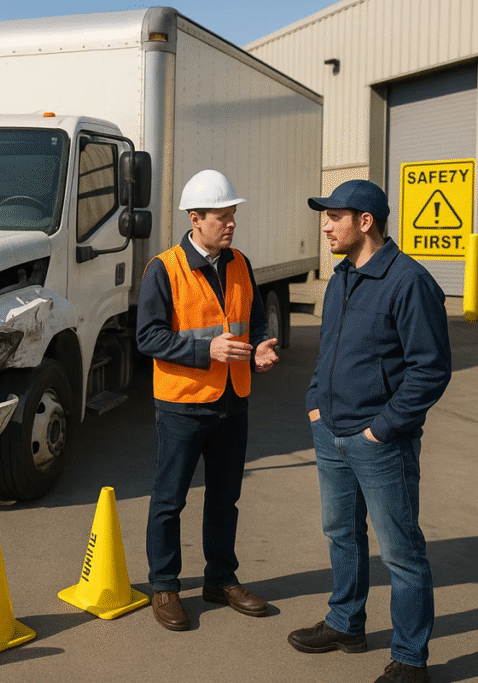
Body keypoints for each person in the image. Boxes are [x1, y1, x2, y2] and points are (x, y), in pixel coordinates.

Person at [288, 180, 451, 683]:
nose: (325, 225)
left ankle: (410, 658)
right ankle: (346, 622)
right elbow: (329, 352)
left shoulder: (409, 282)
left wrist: (383, 429)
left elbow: (430, 368)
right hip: (331, 431)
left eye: (335, 216)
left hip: (380, 442)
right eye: (325, 215)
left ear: (365, 222)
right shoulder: (340, 278)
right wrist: (315, 403)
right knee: (341, 533)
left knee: (401, 552)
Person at [136, 169, 279, 632]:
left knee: (225, 498)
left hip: (233, 400)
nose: (231, 223)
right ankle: (164, 586)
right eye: (222, 216)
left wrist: (259, 347)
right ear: (195, 219)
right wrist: (205, 350)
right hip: (183, 404)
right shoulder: (164, 268)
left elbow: (252, 322)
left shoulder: (240, 263)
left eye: (233, 215)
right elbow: (148, 337)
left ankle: (221, 579)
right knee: (169, 500)